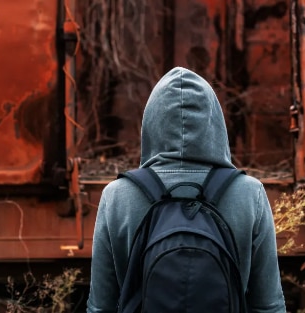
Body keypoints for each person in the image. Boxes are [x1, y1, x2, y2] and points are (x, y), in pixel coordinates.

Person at [86, 67, 286, 313]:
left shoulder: (117, 195)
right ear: (215, 123)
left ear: (151, 122)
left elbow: (100, 307)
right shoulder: (249, 193)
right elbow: (269, 306)